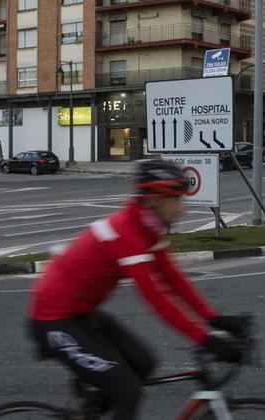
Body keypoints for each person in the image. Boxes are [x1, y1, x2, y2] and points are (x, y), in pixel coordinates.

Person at [27, 160, 247, 420]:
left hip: (81, 314)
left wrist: (214, 318)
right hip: (53, 320)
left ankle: (90, 410)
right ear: (154, 199)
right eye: (176, 199)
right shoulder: (126, 232)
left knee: (144, 364)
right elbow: (157, 299)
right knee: (128, 392)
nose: (182, 207)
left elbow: (173, 279)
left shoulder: (149, 229)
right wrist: (205, 338)